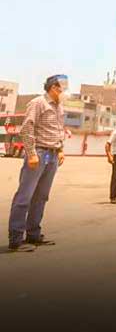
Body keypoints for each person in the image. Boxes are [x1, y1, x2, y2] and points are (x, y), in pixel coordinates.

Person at [7, 74, 68, 252]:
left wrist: (60, 149)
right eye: (63, 86)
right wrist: (32, 153)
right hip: (39, 153)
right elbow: (27, 128)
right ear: (54, 87)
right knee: (24, 197)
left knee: (41, 197)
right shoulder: (38, 103)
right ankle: (16, 239)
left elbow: (59, 129)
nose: (65, 90)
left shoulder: (59, 106)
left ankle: (33, 235)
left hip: (53, 155)